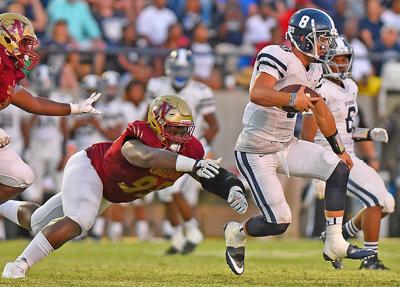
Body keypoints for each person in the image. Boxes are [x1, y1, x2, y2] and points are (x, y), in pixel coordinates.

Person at [0, 95, 248, 279]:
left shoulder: (191, 150)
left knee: (38, 221)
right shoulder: (139, 135)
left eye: (184, 130)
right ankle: (19, 265)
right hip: (90, 168)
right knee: (79, 220)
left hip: (108, 190)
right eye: (173, 129)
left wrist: (231, 188)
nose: (179, 137)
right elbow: (144, 157)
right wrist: (191, 165)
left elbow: (207, 174)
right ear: (157, 125)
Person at [223, 8, 375, 276]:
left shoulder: (315, 68)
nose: (326, 45)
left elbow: (321, 111)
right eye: (322, 38)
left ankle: (334, 241)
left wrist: (339, 149)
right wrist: (292, 100)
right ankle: (236, 232)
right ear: (304, 38)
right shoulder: (277, 55)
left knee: (338, 167)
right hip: (255, 150)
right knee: (278, 222)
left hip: (286, 144)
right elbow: (257, 93)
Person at [302, 36, 395, 270]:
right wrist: (316, 171)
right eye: (337, 59)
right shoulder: (319, 89)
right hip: (331, 159)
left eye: (345, 59)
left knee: (387, 204)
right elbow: (308, 137)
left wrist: (369, 133)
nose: (342, 64)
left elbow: (347, 130)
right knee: (375, 200)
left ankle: (339, 234)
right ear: (324, 60)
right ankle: (370, 259)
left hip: (349, 156)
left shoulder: (350, 86)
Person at [0, 13, 101, 205]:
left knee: (23, 176)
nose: (27, 49)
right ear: (7, 39)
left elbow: (34, 103)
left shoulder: (6, 69)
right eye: (24, 43)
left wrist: (74, 108)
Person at [147, 49, 219, 254]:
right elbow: (149, 117)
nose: (180, 73)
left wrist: (205, 148)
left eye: (184, 69)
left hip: (191, 147)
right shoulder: (157, 86)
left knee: (174, 190)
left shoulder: (201, 90)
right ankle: (178, 236)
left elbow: (214, 125)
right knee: (165, 192)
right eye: (177, 68)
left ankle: (193, 231)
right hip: (165, 146)